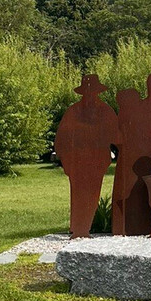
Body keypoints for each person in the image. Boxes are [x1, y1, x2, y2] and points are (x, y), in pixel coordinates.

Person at [54, 74, 117, 237]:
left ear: (97, 92)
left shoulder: (105, 110)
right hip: (77, 161)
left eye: (93, 91)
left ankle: (85, 227)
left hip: (96, 161)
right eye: (87, 92)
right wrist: (65, 159)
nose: (90, 95)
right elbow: (62, 137)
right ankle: (77, 229)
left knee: (92, 194)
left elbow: (116, 134)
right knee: (78, 193)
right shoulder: (73, 111)